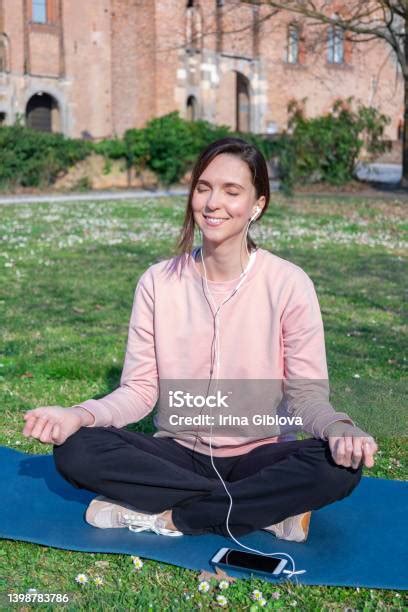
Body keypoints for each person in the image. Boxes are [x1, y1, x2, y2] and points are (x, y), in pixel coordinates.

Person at [22, 137, 378, 541]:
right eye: (203, 187)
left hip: (260, 454)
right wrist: (80, 415)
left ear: (257, 205)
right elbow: (139, 391)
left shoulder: (289, 284)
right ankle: (262, 511)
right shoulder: (158, 282)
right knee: (76, 449)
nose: (213, 203)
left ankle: (172, 516)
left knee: (339, 466)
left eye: (232, 191)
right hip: (177, 454)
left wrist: (337, 427)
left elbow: (305, 394)